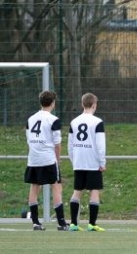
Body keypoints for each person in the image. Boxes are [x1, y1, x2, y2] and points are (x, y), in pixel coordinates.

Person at [24, 90, 68, 231]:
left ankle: (36, 223)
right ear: (53, 103)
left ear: (40, 102)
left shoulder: (30, 119)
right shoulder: (53, 120)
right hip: (48, 159)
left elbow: (29, 140)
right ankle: (61, 223)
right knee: (56, 186)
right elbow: (57, 144)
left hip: (33, 159)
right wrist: (57, 160)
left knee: (34, 188)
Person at [67, 93, 107, 232]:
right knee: (94, 191)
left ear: (82, 104)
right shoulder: (97, 122)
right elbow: (100, 145)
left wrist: (74, 160)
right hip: (92, 162)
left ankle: (73, 224)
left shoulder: (74, 122)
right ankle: (92, 224)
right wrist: (102, 162)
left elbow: (70, 145)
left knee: (77, 191)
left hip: (78, 162)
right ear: (94, 105)